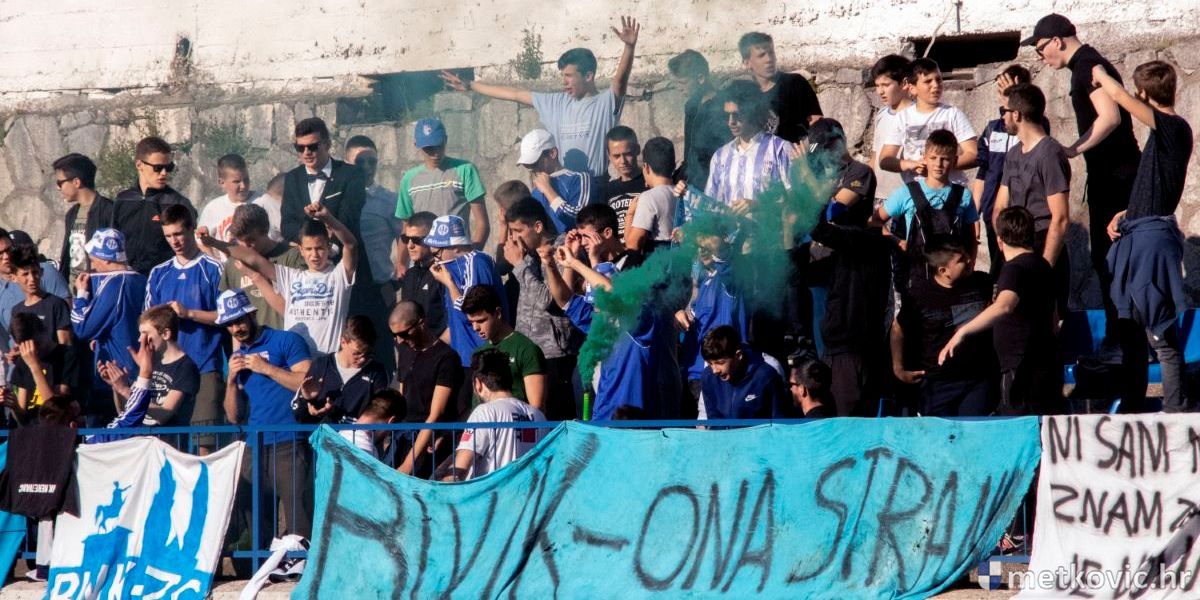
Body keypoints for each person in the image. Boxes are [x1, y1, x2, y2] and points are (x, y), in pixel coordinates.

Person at [1026, 13, 1142, 364]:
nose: (1041, 57)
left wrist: (1073, 149)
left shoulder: (1087, 66)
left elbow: (1111, 117)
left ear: (1057, 41)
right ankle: (1124, 339)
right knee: (1108, 259)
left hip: (1117, 178)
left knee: (1111, 259)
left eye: (1041, 48)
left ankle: (1123, 341)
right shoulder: (1086, 65)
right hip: (1111, 176)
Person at [1099, 60, 1195, 413]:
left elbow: (1119, 97)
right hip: (1137, 233)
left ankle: (1174, 408)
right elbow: (1156, 188)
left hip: (1152, 241)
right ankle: (1132, 406)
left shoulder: (1173, 127)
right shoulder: (1163, 136)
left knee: (1160, 331)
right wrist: (1126, 213)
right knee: (1130, 328)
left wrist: (1098, 73)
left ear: (1143, 93)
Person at [439, 16, 640, 177]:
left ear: (588, 76)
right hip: (563, 188)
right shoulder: (555, 103)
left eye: (569, 76)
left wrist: (629, 48)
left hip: (596, 187)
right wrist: (471, 85)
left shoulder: (605, 103)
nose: (564, 82)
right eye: (562, 76)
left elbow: (620, 81)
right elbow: (515, 94)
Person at [940, 207, 1064, 415]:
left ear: (1000, 240)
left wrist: (963, 331)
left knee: (1017, 423)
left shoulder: (1013, 268)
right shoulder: (1043, 265)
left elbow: (1005, 305)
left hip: (1021, 369)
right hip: (1047, 363)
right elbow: (1054, 316)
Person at [808, 119, 893, 417]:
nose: (824, 156)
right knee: (822, 350)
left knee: (845, 349)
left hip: (851, 265)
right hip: (819, 267)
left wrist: (810, 186)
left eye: (827, 147)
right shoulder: (820, 175)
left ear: (840, 140)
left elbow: (835, 210)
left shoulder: (860, 172)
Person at [218, 288, 313, 540]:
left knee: (299, 520)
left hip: (290, 441)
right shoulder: (236, 357)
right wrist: (231, 381)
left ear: (252, 314)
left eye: (239, 320)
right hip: (254, 446)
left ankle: (300, 561)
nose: (236, 328)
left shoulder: (286, 340)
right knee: (258, 525)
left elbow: (307, 384)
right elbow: (233, 416)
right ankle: (262, 562)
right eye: (230, 324)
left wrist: (267, 368)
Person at [211, 204, 357, 355]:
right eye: (308, 249)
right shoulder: (290, 276)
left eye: (319, 248)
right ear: (301, 250)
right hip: (296, 359)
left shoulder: (339, 276)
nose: (314, 255)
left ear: (328, 247)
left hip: (327, 359)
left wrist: (327, 217)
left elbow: (351, 245)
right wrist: (212, 242)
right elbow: (252, 258)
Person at [145, 204, 226, 444]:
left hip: (204, 365)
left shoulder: (213, 268)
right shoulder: (158, 273)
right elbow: (147, 323)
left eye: (179, 234)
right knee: (166, 444)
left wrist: (189, 314)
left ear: (192, 229)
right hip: (167, 370)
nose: (174, 241)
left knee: (205, 442)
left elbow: (227, 317)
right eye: (168, 236)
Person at [990, 83, 1071, 319]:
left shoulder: (1049, 154)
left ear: (1016, 114)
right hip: (1013, 243)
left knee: (1046, 321)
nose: (1002, 117)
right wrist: (1003, 240)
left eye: (1004, 111)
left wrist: (1043, 267)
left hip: (1041, 241)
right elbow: (999, 205)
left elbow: (1060, 218)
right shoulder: (1014, 153)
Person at [898, 237, 995, 416]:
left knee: (973, 429)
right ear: (943, 271)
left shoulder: (983, 283)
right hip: (938, 384)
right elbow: (898, 329)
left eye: (966, 255)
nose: (969, 260)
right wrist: (898, 368)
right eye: (960, 260)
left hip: (977, 380)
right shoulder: (920, 295)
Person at [502, 199, 575, 418]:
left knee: (553, 419)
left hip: (554, 355)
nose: (514, 238)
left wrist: (520, 265)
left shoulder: (562, 250)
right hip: (526, 352)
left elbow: (549, 301)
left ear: (538, 226)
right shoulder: (528, 256)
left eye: (518, 231)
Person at [877, 129, 980, 285]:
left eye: (945, 159)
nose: (938, 164)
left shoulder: (963, 195)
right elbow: (874, 220)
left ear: (954, 160)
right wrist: (896, 240)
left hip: (952, 281)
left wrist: (970, 265)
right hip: (916, 278)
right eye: (933, 158)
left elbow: (971, 239)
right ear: (924, 158)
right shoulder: (907, 192)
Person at [70, 229, 146, 425]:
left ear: (106, 258)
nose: (93, 265)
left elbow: (82, 328)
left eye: (93, 259)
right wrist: (101, 335)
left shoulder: (114, 283)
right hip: (137, 372)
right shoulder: (141, 280)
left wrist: (81, 295)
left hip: (115, 374)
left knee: (103, 436)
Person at [973, 66, 1043, 276]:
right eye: (1001, 90)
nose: (1003, 97)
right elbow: (983, 171)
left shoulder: (1031, 126)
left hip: (1019, 216)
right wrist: (974, 212)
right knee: (998, 271)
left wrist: (1015, 98)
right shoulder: (992, 128)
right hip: (992, 212)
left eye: (1009, 91)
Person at [446, 349, 547, 481]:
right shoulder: (538, 415)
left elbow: (460, 467)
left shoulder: (485, 412)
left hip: (494, 492)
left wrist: (439, 490)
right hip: (529, 491)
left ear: (478, 384)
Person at [389, 301, 463, 476]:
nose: (400, 340)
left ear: (421, 323)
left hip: (429, 442)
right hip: (402, 437)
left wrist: (409, 463)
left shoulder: (446, 357)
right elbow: (402, 395)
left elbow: (436, 414)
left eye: (404, 334)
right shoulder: (405, 350)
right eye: (395, 335)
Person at [425, 215, 507, 369]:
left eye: (437, 254)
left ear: (456, 247)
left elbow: (472, 313)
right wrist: (430, 353)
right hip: (463, 360)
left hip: (485, 360)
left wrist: (449, 284)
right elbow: (454, 326)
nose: (435, 261)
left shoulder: (476, 262)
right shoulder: (451, 268)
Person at [878, 59, 978, 186]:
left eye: (938, 79)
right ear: (912, 88)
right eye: (928, 81)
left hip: (951, 189)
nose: (935, 85)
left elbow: (973, 154)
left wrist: (938, 166)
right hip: (917, 191)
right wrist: (910, 164)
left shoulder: (953, 114)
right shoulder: (903, 118)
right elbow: (885, 160)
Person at [97, 305, 199, 428]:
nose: (140, 339)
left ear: (165, 334)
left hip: (166, 439)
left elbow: (164, 415)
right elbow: (125, 412)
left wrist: (125, 390)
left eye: (145, 334)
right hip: (140, 437)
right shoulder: (149, 361)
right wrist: (117, 386)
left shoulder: (186, 367)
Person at [395, 119, 488, 252]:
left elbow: (482, 223)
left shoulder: (465, 170)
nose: (436, 153)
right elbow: (406, 228)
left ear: (446, 140)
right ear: (416, 144)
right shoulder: (408, 179)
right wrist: (400, 262)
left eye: (439, 145)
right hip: (423, 256)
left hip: (456, 255)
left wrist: (472, 256)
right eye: (429, 148)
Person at [109, 136, 196, 275]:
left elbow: (192, 247)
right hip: (128, 279)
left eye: (168, 168)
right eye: (158, 168)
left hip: (164, 279)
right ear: (139, 165)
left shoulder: (178, 203)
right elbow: (112, 244)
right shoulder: (123, 200)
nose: (164, 173)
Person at [705, 80, 794, 209]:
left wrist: (759, 207)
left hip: (769, 222)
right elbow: (710, 205)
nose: (731, 122)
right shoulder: (720, 156)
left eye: (737, 115)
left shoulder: (780, 149)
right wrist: (686, 193)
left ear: (753, 112)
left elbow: (798, 204)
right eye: (727, 115)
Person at [217, 203, 305, 331]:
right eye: (239, 240)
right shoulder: (233, 263)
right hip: (253, 342)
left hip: (289, 336)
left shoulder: (292, 257)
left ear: (265, 230)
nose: (245, 246)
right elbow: (231, 316)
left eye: (250, 240)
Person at [279, 117, 366, 245]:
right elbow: (287, 226)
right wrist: (313, 241)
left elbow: (349, 220)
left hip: (344, 253)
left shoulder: (351, 174)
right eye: (300, 148)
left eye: (312, 147)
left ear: (327, 145)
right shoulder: (292, 178)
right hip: (307, 255)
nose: (306, 152)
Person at [461, 285, 548, 412]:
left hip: (516, 422)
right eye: (471, 322)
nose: (475, 328)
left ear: (498, 313)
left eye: (481, 320)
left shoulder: (526, 349)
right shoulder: (478, 352)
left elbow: (537, 408)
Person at [292, 315, 389, 424]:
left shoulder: (376, 372)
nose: (362, 359)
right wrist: (307, 401)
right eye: (356, 353)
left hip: (356, 434)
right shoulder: (322, 365)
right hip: (318, 433)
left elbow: (381, 415)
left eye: (368, 353)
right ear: (343, 342)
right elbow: (298, 415)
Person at [737, 32, 823, 142]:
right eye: (761, 55)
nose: (769, 59)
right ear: (747, 63)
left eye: (771, 53)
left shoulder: (796, 84)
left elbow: (818, 125)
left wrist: (805, 150)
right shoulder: (744, 96)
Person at [347, 135, 405, 296]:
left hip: (379, 285)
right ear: (347, 164)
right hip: (343, 284)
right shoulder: (338, 198)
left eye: (372, 162)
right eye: (359, 162)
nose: (367, 167)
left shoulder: (390, 200)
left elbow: (404, 237)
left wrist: (398, 274)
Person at [197, 154, 281, 255]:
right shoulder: (213, 208)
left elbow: (289, 231)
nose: (243, 186)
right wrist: (214, 260)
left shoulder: (265, 201)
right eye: (236, 182)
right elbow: (200, 242)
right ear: (222, 182)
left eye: (246, 179)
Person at [699, 325, 788, 420]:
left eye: (720, 363)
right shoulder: (708, 377)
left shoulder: (766, 376)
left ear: (738, 355)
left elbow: (779, 420)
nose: (714, 370)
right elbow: (713, 419)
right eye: (710, 363)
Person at [669, 49, 729, 190]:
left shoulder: (723, 107)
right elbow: (689, 152)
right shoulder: (691, 106)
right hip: (691, 183)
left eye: (683, 83)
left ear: (700, 78)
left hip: (714, 183)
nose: (679, 88)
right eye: (677, 83)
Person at [53, 153, 114, 294]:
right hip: (72, 292)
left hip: (97, 290)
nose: (58, 188)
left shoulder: (109, 210)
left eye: (60, 183)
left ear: (76, 182)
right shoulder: (71, 214)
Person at [518, 129, 593, 233]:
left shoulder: (578, 179)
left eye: (535, 163)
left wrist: (548, 190)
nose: (532, 169)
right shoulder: (536, 191)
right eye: (528, 165)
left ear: (552, 153)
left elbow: (580, 219)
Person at [869, 55, 913, 204]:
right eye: (877, 85)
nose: (880, 91)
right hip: (880, 196)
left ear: (904, 83)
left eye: (885, 85)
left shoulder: (917, 116)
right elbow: (875, 157)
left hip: (907, 196)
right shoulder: (881, 114)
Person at [396, 211, 447, 337]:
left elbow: (452, 324)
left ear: (433, 238)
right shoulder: (409, 275)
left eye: (416, 240)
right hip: (412, 346)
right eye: (406, 239)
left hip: (439, 346)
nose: (410, 245)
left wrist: (437, 346)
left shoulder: (445, 274)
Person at [8, 314, 66, 421]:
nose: (33, 350)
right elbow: (22, 417)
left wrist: (34, 366)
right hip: (31, 428)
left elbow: (56, 410)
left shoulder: (66, 356)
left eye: (36, 343)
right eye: (25, 347)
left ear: (44, 331)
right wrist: (13, 406)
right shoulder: (23, 360)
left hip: (55, 428)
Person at [626, 137, 679, 253]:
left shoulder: (649, 198)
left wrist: (630, 214)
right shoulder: (685, 193)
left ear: (646, 167)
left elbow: (632, 245)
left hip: (660, 260)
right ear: (674, 166)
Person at [592, 126, 647, 237]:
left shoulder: (650, 184)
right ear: (609, 156)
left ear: (637, 150)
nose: (623, 161)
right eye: (616, 156)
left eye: (628, 154)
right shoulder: (606, 191)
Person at [340, 389, 406, 460]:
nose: (388, 434)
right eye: (390, 431)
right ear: (391, 421)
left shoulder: (339, 435)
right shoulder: (367, 450)